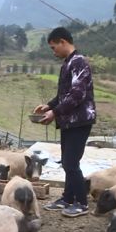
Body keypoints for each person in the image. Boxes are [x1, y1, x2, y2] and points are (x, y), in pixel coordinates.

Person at [34, 27, 96, 217]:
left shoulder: (79, 63)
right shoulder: (69, 63)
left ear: (62, 42)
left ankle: (82, 203)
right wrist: (49, 105)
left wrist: (55, 112)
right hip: (69, 121)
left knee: (71, 163)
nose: (54, 52)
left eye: (53, 48)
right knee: (68, 162)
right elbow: (65, 94)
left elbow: (77, 94)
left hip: (80, 120)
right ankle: (68, 198)